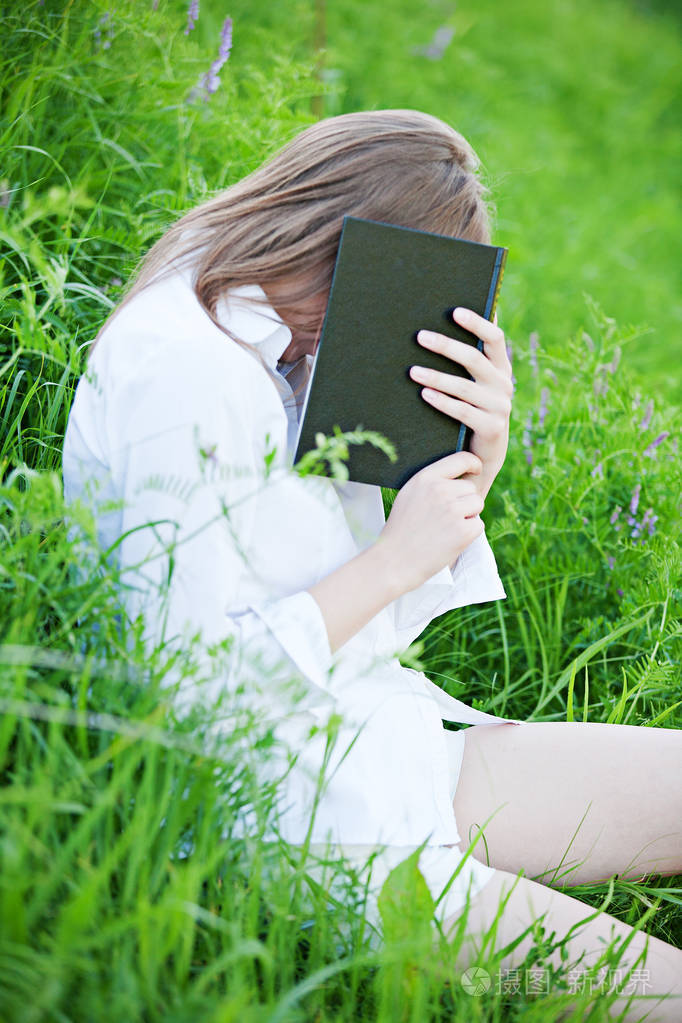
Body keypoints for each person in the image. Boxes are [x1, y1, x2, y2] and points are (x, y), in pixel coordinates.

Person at [62, 109, 682, 1018]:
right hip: (297, 823)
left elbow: (363, 627)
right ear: (344, 245)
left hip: (376, 747)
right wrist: (394, 558)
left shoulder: (290, 351)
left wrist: (473, 464)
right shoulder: (185, 368)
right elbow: (192, 693)